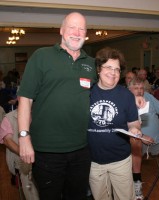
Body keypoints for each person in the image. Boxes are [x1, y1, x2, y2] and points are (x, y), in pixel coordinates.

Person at [17, 12, 97, 200]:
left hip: (82, 149)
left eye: (82, 29)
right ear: (61, 30)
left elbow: (106, 90)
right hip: (47, 151)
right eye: (72, 27)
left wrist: (134, 98)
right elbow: (25, 99)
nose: (77, 33)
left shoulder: (92, 63)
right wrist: (23, 137)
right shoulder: (42, 56)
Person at [88, 47, 153, 200]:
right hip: (93, 161)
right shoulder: (86, 93)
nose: (113, 72)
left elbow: (134, 123)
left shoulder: (126, 95)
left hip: (120, 160)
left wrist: (136, 130)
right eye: (108, 67)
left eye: (117, 69)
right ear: (98, 69)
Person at [0, 109, 39, 200]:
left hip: (48, 162)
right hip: (24, 163)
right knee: (31, 193)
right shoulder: (10, 117)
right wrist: (26, 153)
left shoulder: (43, 112)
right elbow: (7, 140)